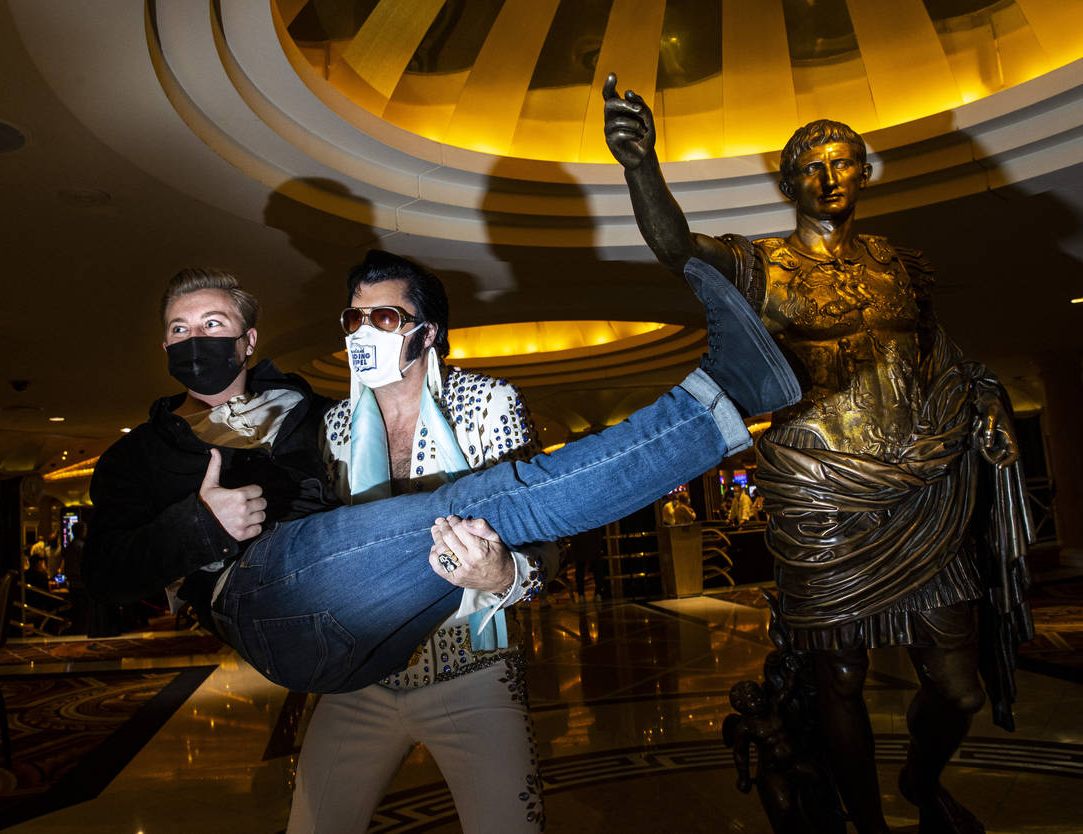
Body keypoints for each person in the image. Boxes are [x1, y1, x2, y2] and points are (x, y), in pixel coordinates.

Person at [603, 72, 1033, 833]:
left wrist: (989, 395)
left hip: (924, 485)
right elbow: (677, 249)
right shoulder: (764, 264)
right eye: (812, 166)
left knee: (958, 686)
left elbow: (946, 356)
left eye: (843, 162)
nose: (830, 177)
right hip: (820, 489)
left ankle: (918, 781)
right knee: (837, 675)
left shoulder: (898, 265)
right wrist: (642, 167)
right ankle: (864, 825)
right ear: (787, 181)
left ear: (863, 173)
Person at [83, 253, 799, 695]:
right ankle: (722, 400)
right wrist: (197, 527)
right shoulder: (138, 456)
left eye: (212, 325)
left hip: (395, 642)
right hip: (260, 603)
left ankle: (724, 400)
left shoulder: (307, 414)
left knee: (482, 509)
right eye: (179, 330)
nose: (195, 341)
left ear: (247, 340)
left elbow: (330, 519)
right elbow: (104, 572)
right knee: (483, 504)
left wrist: (501, 578)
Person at [288, 252, 555, 833]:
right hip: (361, 671)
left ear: (426, 331)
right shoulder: (335, 425)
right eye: (353, 319)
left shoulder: (489, 404)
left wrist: (503, 574)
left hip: (473, 666)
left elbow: (543, 535)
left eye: (383, 318)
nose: (362, 332)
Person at [61, 521, 90, 634]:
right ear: (82, 532)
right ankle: (83, 630)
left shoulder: (69, 547)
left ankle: (78, 630)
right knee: (83, 611)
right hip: (82, 584)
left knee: (76, 612)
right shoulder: (81, 547)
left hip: (72, 584)